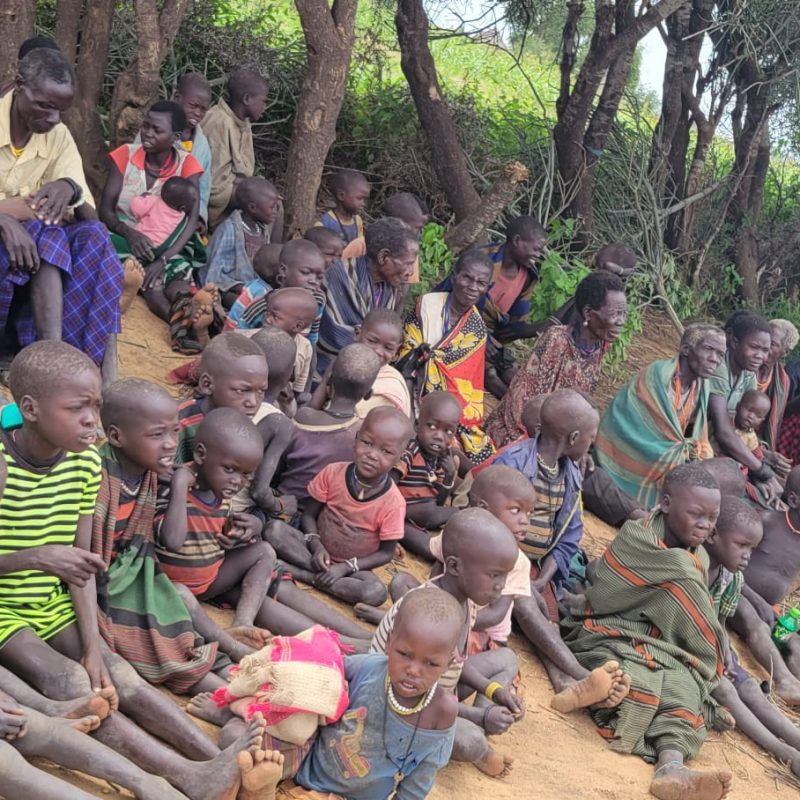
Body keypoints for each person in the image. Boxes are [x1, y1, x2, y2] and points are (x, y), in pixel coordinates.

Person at [0, 342, 269, 799]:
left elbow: (80, 571)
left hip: (53, 603)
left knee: (115, 672)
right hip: (5, 612)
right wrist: (36, 557)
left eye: (95, 406)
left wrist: (91, 646)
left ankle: (213, 762)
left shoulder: (85, 465)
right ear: (30, 409)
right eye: (77, 408)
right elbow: (56, 559)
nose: (92, 420)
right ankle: (181, 777)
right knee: (73, 684)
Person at [565, 463, 731, 800]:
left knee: (683, 686)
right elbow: (606, 594)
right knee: (636, 680)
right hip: (606, 630)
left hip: (661, 645)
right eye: (696, 514)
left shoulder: (696, 554)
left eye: (712, 518)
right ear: (667, 503)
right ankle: (590, 692)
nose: (705, 525)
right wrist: (715, 649)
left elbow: (693, 615)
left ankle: (671, 768)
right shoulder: (637, 537)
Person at [93, 379, 259, 694]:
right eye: (158, 435)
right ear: (116, 436)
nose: (171, 443)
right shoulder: (99, 479)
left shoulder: (150, 472)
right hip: (105, 583)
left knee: (175, 609)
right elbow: (96, 561)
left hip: (135, 573)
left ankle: (231, 662)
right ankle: (228, 689)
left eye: (173, 431)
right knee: (160, 637)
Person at [371, 508, 523, 778]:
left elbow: (453, 663)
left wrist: (494, 691)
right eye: (494, 575)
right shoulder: (430, 613)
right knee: (471, 742)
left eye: (505, 576)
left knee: (508, 658)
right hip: (399, 703)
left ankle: (476, 722)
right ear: (454, 566)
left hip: (438, 688)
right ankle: (477, 734)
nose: (501, 586)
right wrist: (479, 717)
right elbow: (406, 690)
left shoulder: (465, 603)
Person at [0, 47, 123, 366]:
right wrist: (4, 219)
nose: (52, 118)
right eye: (43, 105)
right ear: (18, 84)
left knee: (93, 237)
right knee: (38, 231)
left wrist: (69, 187)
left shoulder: (58, 135)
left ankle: (69, 360)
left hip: (32, 255)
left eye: (60, 110)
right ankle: (48, 355)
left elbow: (90, 216)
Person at [294, 588, 461, 799]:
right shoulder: (369, 668)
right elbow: (323, 669)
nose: (414, 670)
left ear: (449, 664)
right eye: (405, 654)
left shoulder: (442, 713)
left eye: (431, 663)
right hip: (307, 781)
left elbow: (420, 780)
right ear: (389, 642)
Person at [267, 407, 410, 606]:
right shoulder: (333, 472)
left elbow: (386, 553)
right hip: (313, 552)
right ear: (356, 439)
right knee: (274, 529)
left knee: (375, 592)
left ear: (398, 459)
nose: (372, 455)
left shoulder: (393, 502)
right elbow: (309, 514)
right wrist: (316, 545)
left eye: (386, 451)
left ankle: (303, 575)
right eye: (367, 443)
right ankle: (319, 574)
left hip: (354, 569)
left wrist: (345, 567)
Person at [704, 496, 800, 777]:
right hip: (704, 638)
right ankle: (785, 751)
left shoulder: (729, 577)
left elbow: (720, 622)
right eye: (743, 546)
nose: (747, 554)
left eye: (751, 548)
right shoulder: (695, 568)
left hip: (753, 626)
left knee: (784, 649)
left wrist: (788, 621)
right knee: (727, 685)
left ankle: (795, 737)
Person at [155, 408, 277, 629]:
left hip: (209, 583)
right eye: (229, 469)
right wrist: (180, 486)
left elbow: (218, 530)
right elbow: (172, 541)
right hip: (170, 589)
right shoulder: (173, 488)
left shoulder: (221, 491)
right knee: (182, 594)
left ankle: (244, 622)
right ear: (201, 454)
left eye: (246, 475)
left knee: (265, 551)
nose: (237, 482)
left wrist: (247, 530)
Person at [487, 270, 627, 447]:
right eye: (615, 314)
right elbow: (529, 406)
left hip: (557, 435)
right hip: (519, 434)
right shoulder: (557, 340)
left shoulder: (600, 344)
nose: (621, 321)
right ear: (588, 313)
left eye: (623, 313)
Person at [594, 322, 726, 508]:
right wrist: (680, 455)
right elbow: (638, 433)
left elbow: (693, 435)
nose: (715, 359)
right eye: (708, 349)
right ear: (686, 349)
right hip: (630, 450)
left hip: (665, 452)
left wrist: (693, 454)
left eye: (720, 354)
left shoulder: (702, 386)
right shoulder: (657, 378)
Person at [100, 100, 205, 327]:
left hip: (169, 244)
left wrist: (163, 259)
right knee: (149, 284)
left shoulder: (187, 165)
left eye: (157, 130)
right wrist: (128, 233)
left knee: (174, 279)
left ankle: (189, 315)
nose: (147, 133)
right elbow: (106, 210)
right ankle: (182, 325)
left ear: (176, 137)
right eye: (146, 126)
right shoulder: (125, 155)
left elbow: (191, 220)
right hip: (124, 238)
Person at [495, 389, 598, 619]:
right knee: (530, 612)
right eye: (590, 440)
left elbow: (569, 538)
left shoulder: (571, 476)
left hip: (538, 570)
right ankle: (564, 656)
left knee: (549, 617)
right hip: (497, 563)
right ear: (573, 438)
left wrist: (542, 580)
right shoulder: (513, 463)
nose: (590, 447)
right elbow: (489, 524)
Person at [400, 248, 495, 464]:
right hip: (411, 383)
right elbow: (408, 354)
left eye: (480, 283)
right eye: (467, 278)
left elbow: (468, 383)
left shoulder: (477, 329)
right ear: (454, 277)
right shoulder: (426, 306)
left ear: (487, 288)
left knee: (478, 453)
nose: (472, 287)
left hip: (452, 399)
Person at [437, 216, 546, 395]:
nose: (539, 254)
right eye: (536, 248)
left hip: (491, 336)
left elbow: (516, 323)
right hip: (455, 325)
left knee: (515, 373)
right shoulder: (483, 259)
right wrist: (483, 340)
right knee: (491, 374)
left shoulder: (529, 275)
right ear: (517, 241)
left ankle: (521, 406)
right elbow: (448, 298)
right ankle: (510, 413)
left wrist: (546, 326)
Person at [269, 343, 381, 507]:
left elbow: (277, 468)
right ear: (368, 394)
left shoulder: (303, 417)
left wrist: (323, 385)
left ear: (329, 380)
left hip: (284, 504)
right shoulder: (363, 434)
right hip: (320, 514)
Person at [728, 466, 800, 701]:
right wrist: (760, 602)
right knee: (756, 624)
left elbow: (793, 598)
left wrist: (790, 621)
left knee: (791, 640)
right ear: (793, 499)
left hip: (771, 612)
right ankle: (783, 681)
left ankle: (796, 681)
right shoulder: (767, 522)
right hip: (735, 592)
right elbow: (729, 566)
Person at [318, 216, 417, 373]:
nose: (411, 272)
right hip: (327, 369)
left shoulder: (388, 285)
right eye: (408, 264)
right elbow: (335, 337)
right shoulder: (342, 276)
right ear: (383, 257)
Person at [707, 311, 783, 506]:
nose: (761, 356)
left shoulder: (748, 374)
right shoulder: (719, 366)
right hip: (706, 442)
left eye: (765, 350)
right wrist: (761, 471)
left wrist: (763, 458)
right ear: (732, 340)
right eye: (754, 347)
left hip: (724, 444)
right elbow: (724, 432)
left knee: (780, 485)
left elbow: (744, 428)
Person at [175, 331, 269, 463]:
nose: (253, 402)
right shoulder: (178, 425)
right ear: (207, 384)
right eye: (242, 390)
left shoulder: (246, 428)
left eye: (261, 391)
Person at [394, 391, 465, 555]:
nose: (439, 436)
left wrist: (448, 476)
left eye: (448, 431)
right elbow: (387, 484)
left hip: (423, 517)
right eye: (432, 426)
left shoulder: (440, 459)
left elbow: (438, 501)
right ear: (417, 425)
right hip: (399, 514)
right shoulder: (410, 451)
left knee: (458, 515)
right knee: (428, 541)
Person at [309, 307, 411, 418]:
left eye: (388, 348)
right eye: (372, 341)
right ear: (357, 334)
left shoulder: (391, 384)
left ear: (397, 349)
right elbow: (315, 406)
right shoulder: (345, 363)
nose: (378, 351)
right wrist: (324, 383)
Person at [203, 68, 269, 230]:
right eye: (263, 101)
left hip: (235, 187)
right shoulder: (219, 121)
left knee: (273, 203)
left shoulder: (243, 124)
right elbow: (212, 183)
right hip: (215, 197)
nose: (264, 107)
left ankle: (269, 250)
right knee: (265, 206)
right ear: (247, 99)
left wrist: (247, 181)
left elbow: (245, 167)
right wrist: (241, 182)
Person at [201, 177, 279, 307]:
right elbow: (214, 272)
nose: (276, 211)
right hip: (230, 288)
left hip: (255, 288)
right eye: (272, 207)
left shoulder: (262, 230)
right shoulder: (229, 230)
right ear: (253, 208)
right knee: (235, 302)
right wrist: (240, 287)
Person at [318, 169, 370, 246]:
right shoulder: (325, 224)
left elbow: (358, 248)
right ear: (341, 195)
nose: (363, 203)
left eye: (364, 199)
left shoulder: (357, 221)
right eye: (359, 198)